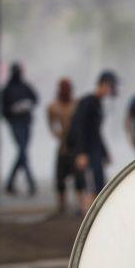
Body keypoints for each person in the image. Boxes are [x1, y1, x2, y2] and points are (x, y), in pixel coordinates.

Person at [67, 70, 118, 212]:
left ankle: (94, 212)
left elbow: (96, 132)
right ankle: (87, 213)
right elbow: (79, 127)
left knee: (99, 183)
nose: (111, 90)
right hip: (86, 150)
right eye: (110, 86)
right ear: (104, 84)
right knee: (88, 184)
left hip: (95, 149)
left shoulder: (98, 103)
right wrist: (81, 152)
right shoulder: (87, 102)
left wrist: (105, 152)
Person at [0, 62, 39, 196]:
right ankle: (31, 182)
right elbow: (3, 109)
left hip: (26, 122)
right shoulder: (7, 89)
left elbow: (35, 99)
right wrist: (13, 110)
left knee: (22, 152)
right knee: (22, 151)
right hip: (15, 123)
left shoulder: (25, 87)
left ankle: (10, 183)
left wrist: (26, 105)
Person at [47, 78, 84, 214]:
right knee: (60, 177)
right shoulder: (53, 107)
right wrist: (58, 134)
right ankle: (62, 206)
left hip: (75, 145)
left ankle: (80, 205)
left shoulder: (76, 104)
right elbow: (51, 125)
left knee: (79, 177)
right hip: (64, 146)